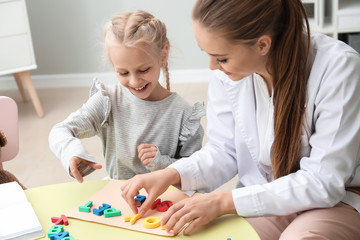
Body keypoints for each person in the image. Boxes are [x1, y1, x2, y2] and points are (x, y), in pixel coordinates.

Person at [120, 0, 360, 239]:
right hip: (269, 193)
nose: (212, 66)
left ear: (263, 44)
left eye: (222, 58)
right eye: (208, 54)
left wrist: (223, 201)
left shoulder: (337, 67)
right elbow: (224, 150)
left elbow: (322, 182)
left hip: (337, 199)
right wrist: (171, 174)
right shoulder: (230, 74)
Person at [49, 10, 205, 183]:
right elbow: (60, 131)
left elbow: (196, 174)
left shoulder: (184, 115)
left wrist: (161, 163)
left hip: (164, 201)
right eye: (123, 72)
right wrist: (72, 152)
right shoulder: (107, 101)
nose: (134, 81)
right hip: (117, 196)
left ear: (163, 55)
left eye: (143, 70)